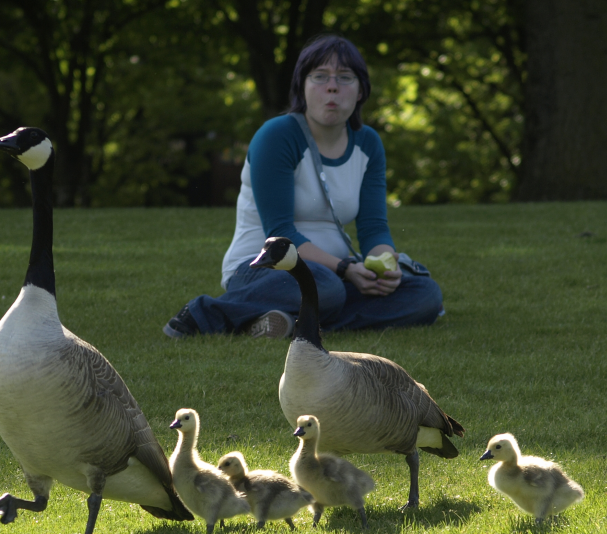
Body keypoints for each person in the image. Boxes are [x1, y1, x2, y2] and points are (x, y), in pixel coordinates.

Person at [163, 34, 443, 339]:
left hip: (335, 274)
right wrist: (345, 269)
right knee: (324, 287)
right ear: (302, 87)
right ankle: (205, 313)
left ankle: (283, 319)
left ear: (361, 90)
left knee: (424, 293)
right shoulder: (278, 136)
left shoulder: (368, 144)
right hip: (263, 270)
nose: (333, 87)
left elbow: (374, 227)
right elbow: (280, 234)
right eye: (320, 77)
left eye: (345, 78)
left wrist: (386, 268)